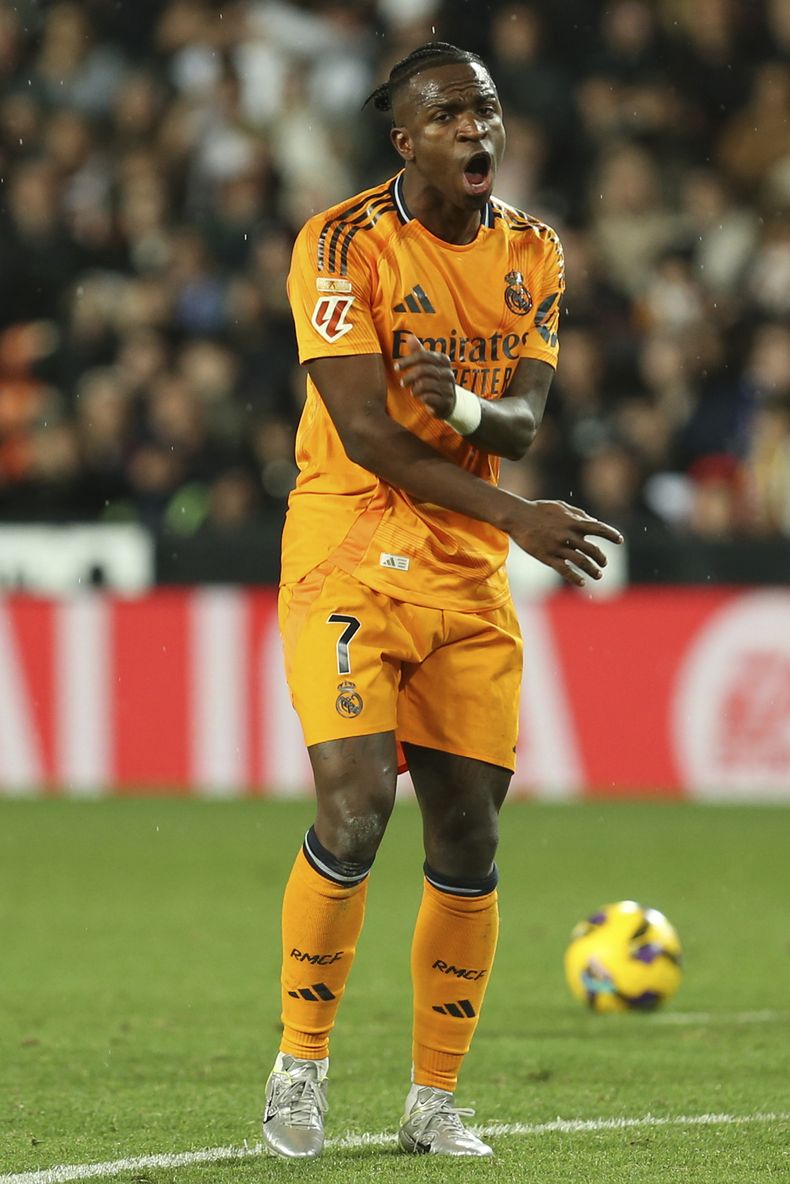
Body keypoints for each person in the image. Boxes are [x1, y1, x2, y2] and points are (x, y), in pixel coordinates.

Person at [263, 41, 623, 1159]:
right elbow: (366, 431)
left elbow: (523, 418)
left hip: (464, 568)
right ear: (404, 139)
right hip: (350, 546)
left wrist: (465, 405)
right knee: (357, 806)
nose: (477, 128)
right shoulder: (339, 243)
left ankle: (434, 1099)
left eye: (487, 110)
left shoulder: (534, 250)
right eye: (450, 114)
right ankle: (300, 1065)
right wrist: (518, 514)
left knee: (468, 834)